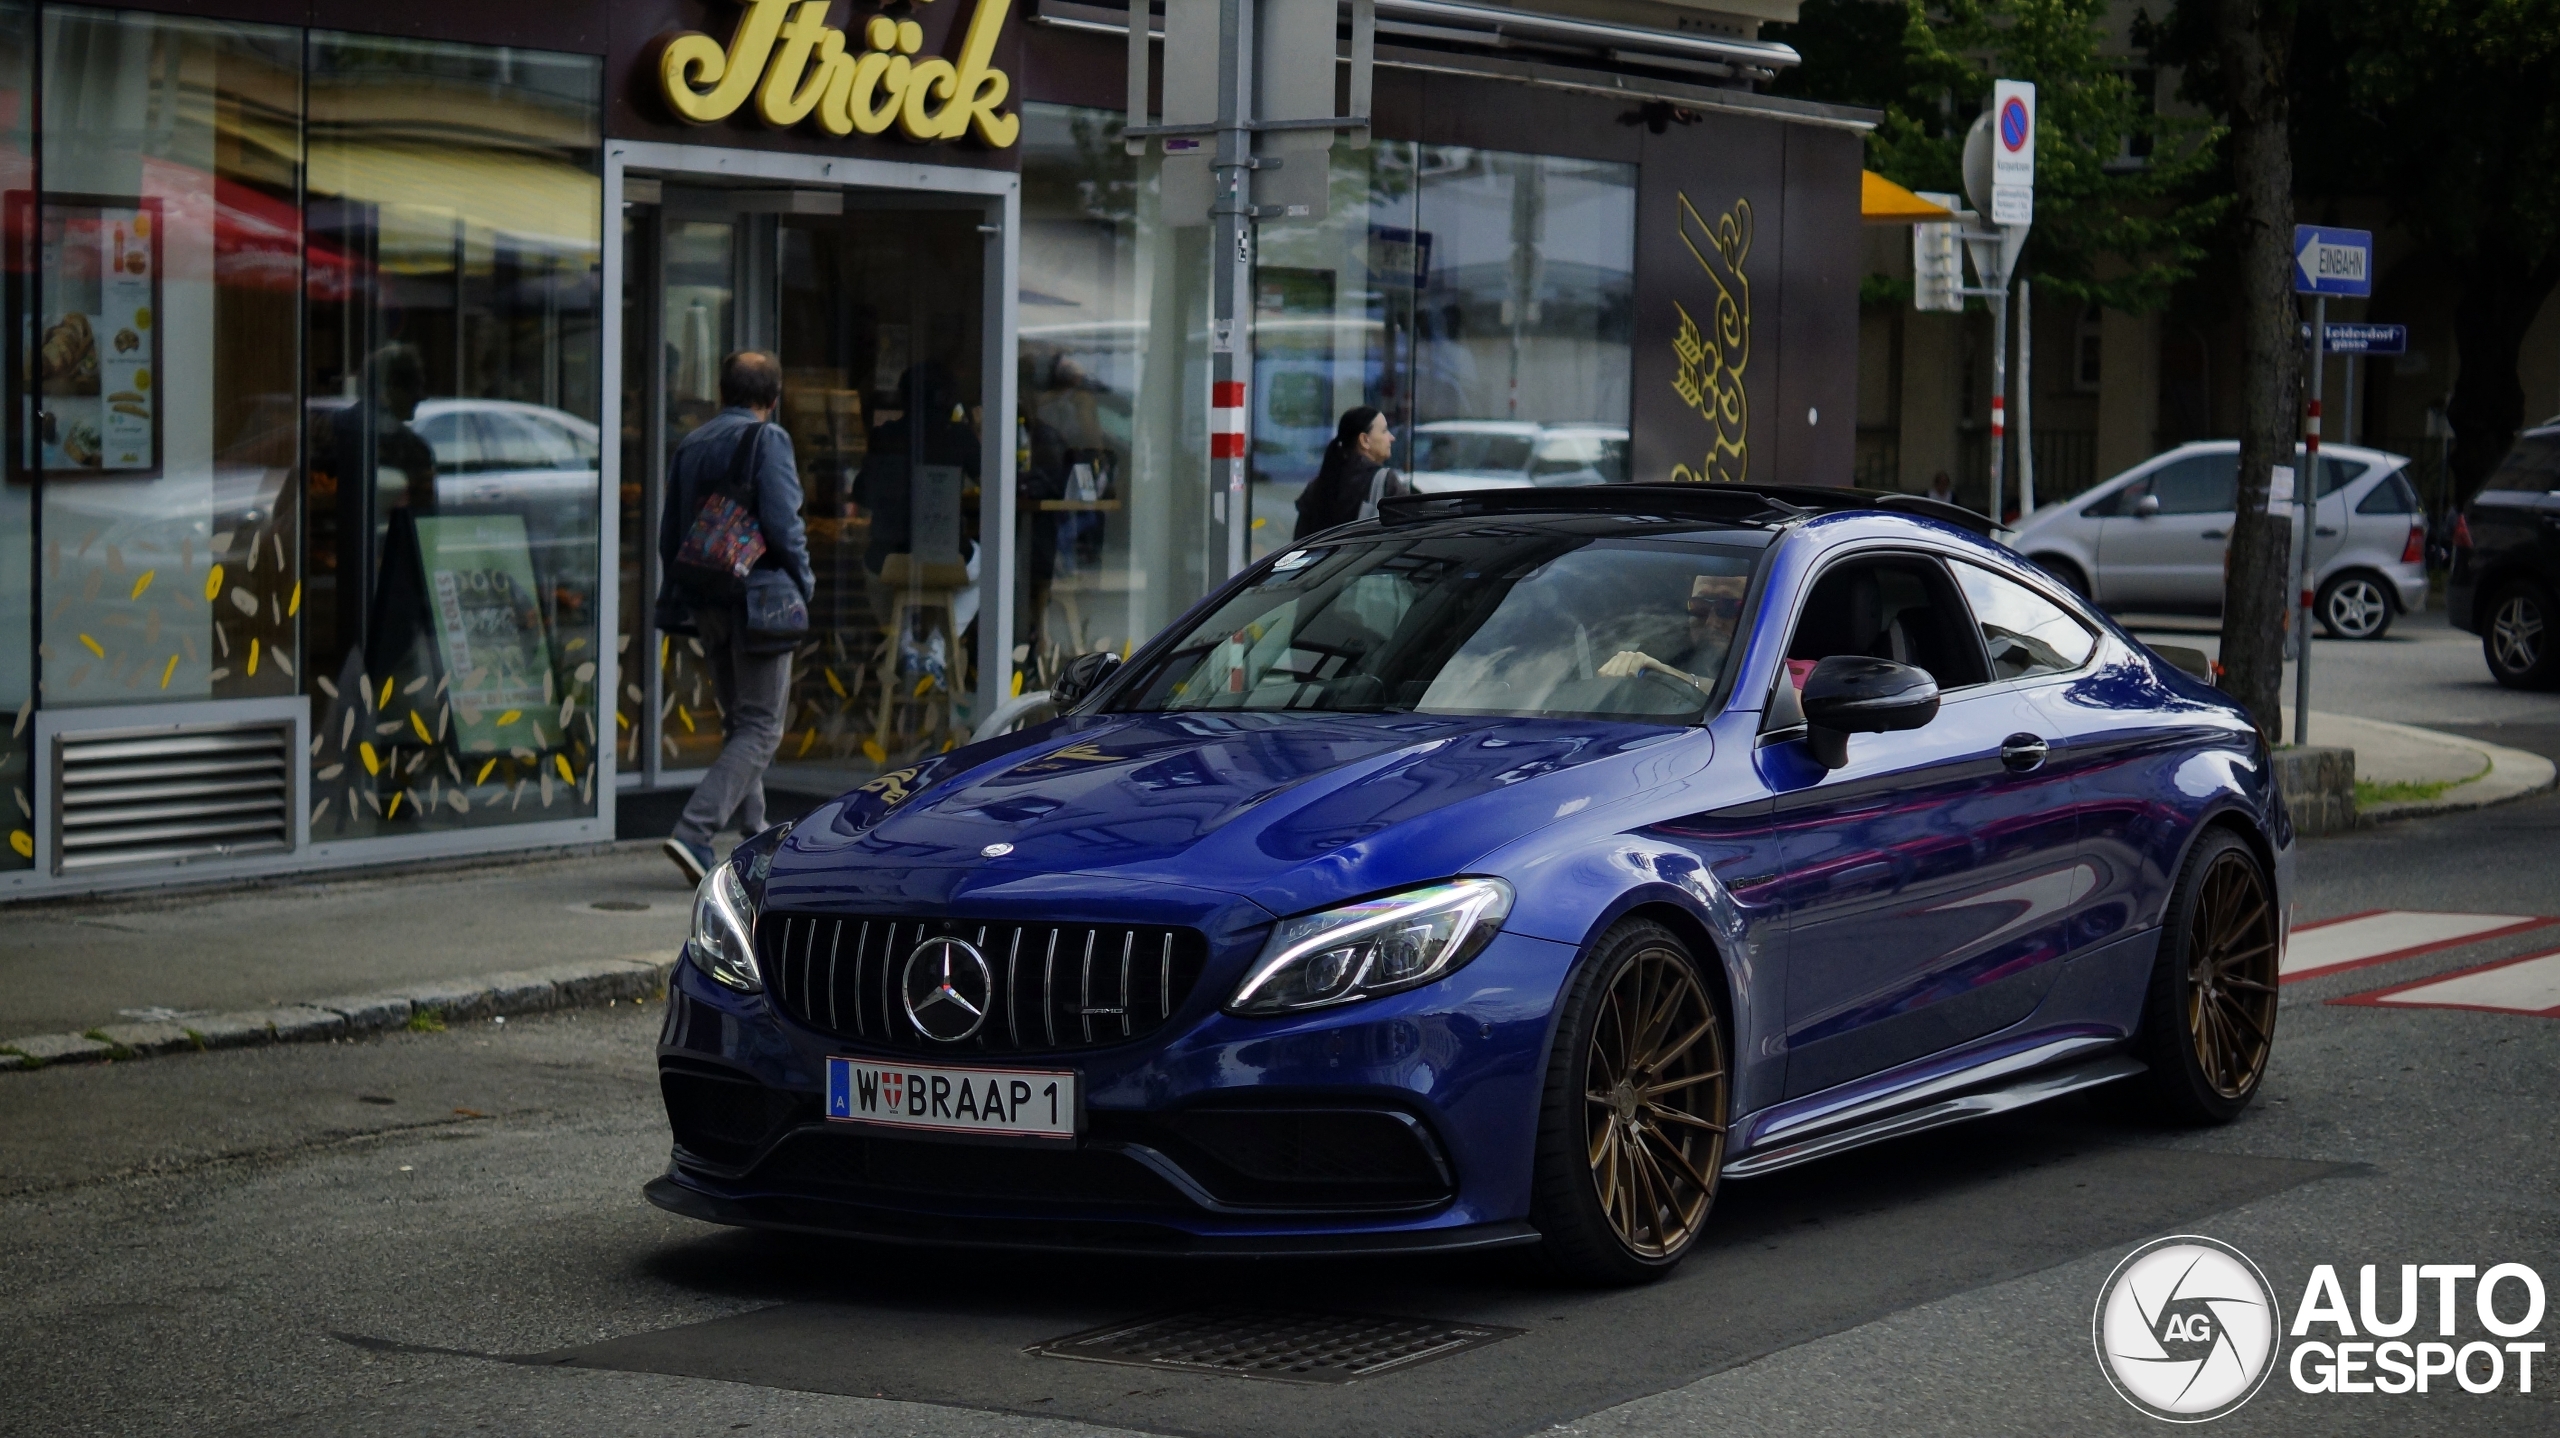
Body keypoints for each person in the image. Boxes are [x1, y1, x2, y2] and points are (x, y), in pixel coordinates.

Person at [656, 350, 815, 883]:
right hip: (761, 600)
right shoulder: (769, 439)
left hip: (708, 600)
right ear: (773, 399)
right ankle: (694, 832)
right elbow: (784, 524)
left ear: (723, 392)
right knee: (762, 728)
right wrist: (804, 583)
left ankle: (758, 838)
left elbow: (669, 534)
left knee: (739, 725)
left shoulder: (691, 443)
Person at [1597, 574, 1749, 694]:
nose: (1712, 622)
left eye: (1728, 607)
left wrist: (1679, 679)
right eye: (1700, 607)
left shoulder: (1769, 667)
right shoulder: (1664, 656)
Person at [1293, 407, 1404, 539]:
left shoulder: (1319, 485)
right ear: (1364, 440)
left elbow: (1300, 540)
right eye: (1384, 431)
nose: (1391, 438)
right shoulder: (1385, 481)